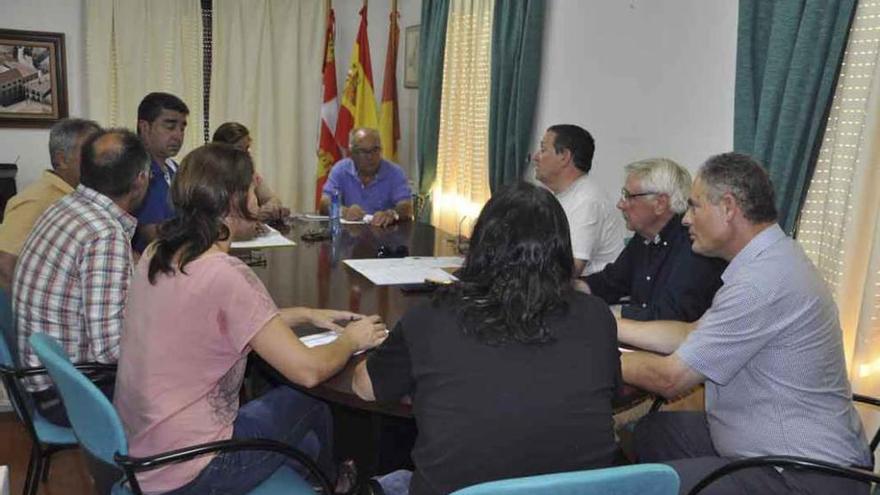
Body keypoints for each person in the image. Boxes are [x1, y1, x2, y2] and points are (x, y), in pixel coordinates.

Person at [113, 143, 389, 495]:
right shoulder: (225, 273)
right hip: (197, 469)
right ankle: (334, 484)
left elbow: (211, 321)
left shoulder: (159, 251)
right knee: (314, 397)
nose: (257, 194)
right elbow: (308, 370)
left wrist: (304, 314)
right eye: (250, 188)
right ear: (232, 201)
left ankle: (320, 479)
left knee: (293, 420)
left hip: (145, 452)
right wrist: (353, 338)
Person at [331, 182, 621, 495]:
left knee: (382, 481)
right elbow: (610, 395)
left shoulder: (432, 316)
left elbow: (365, 387)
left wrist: (355, 343)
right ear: (562, 248)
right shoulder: (597, 315)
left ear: (481, 244)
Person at [619, 153, 872, 494]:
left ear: (727, 207)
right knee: (655, 432)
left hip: (801, 474)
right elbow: (693, 333)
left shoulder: (760, 283)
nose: (685, 220)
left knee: (647, 485)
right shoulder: (770, 259)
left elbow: (671, 379)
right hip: (765, 439)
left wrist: (595, 352)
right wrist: (610, 325)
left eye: (695, 207)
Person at [14, 128, 151, 426]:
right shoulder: (104, 234)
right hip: (69, 394)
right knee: (191, 372)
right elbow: (110, 350)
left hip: (44, 378)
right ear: (141, 179)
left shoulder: (66, 207)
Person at [583, 158, 725, 321]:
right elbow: (609, 283)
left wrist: (612, 315)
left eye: (628, 196)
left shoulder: (694, 243)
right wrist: (568, 289)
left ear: (660, 203)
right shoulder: (644, 237)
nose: (620, 205)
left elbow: (671, 316)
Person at [0, 118, 101, 290]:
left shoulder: (83, 195)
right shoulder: (37, 200)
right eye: (90, 154)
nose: (100, 161)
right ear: (62, 159)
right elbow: (5, 267)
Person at [533, 124, 625, 275]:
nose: (536, 157)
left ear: (564, 156)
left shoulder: (587, 200)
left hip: (594, 293)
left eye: (543, 150)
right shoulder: (562, 196)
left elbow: (570, 270)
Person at [319, 128, 413, 227]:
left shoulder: (394, 172)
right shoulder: (341, 170)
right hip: (349, 237)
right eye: (364, 151)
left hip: (385, 236)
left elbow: (406, 206)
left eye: (375, 150)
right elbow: (324, 202)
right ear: (352, 153)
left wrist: (391, 214)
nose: (370, 157)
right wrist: (343, 211)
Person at [133, 91, 189, 252]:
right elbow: (152, 234)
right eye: (170, 127)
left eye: (182, 128)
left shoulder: (174, 168)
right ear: (144, 127)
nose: (178, 136)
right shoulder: (137, 172)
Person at [211, 121, 290, 223]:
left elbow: (271, 198)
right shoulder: (210, 177)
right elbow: (218, 219)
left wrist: (271, 207)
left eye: (248, 148)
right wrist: (255, 216)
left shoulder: (251, 174)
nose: (247, 154)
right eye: (240, 149)